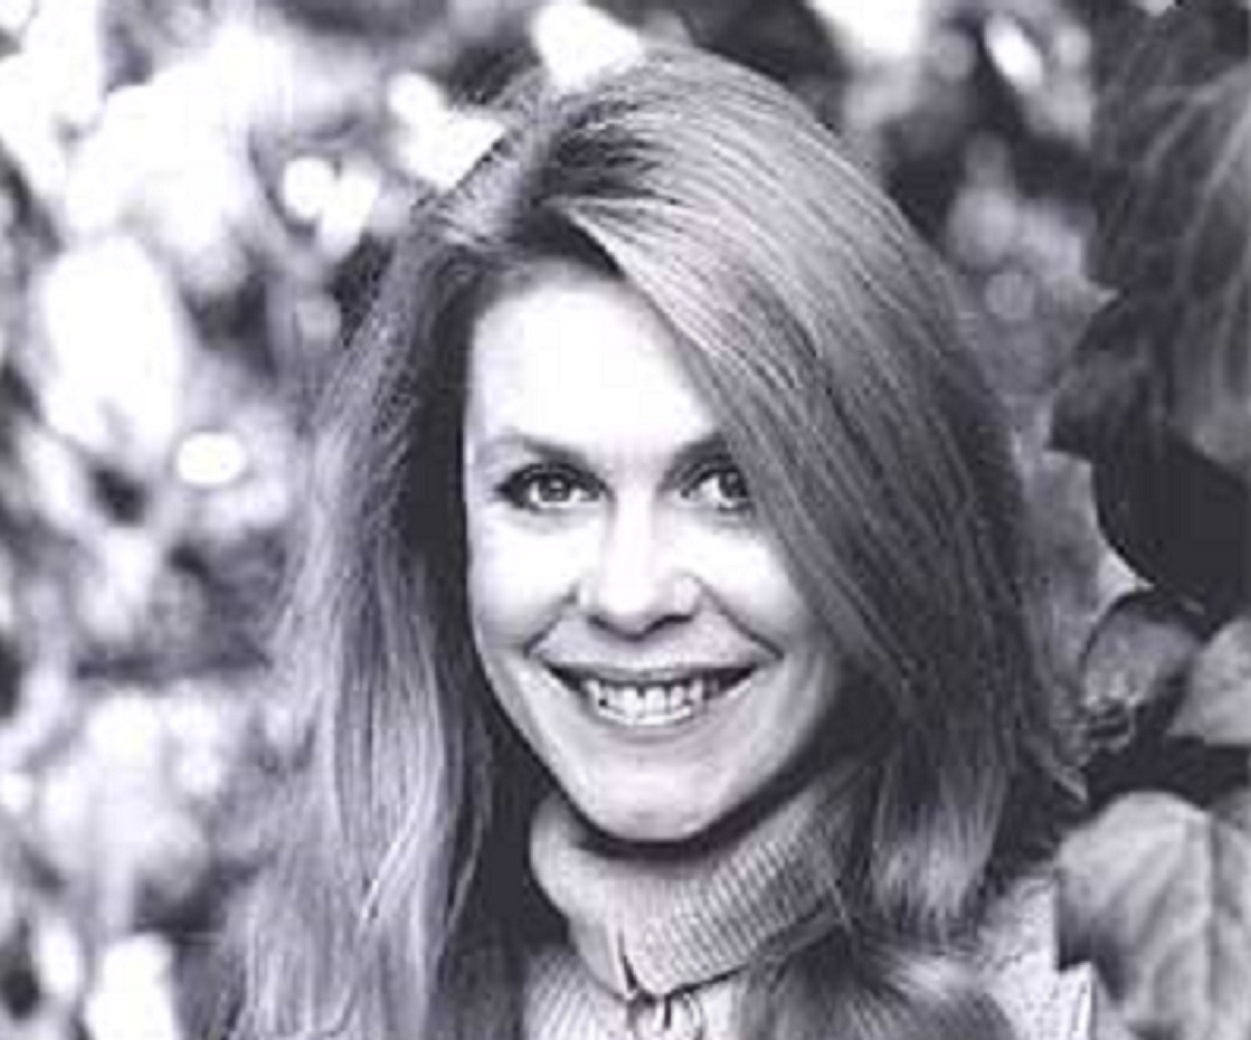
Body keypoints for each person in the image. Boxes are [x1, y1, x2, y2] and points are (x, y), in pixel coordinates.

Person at [223, 44, 1090, 1040]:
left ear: (888, 513)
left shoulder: (1102, 987)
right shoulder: (340, 991)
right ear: (442, 532)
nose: (629, 594)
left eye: (732, 483)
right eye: (549, 486)